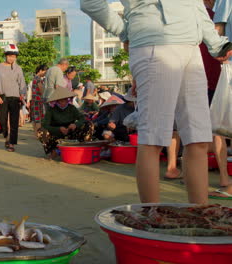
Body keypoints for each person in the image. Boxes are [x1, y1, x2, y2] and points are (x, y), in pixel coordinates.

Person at [81, 0, 232, 204]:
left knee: (198, 138)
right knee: (153, 139)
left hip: (192, 47)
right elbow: (90, 2)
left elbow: (195, 4)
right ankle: (151, 216)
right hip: (152, 43)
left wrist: (216, 43)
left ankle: (199, 215)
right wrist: (128, 32)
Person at [209, 0, 232, 199]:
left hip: (230, 67)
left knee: (219, 128)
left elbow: (219, 27)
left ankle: (226, 180)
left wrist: (218, 52)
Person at [39, 88, 95, 159]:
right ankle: (53, 151)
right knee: (41, 131)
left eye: (65, 100)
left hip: (71, 132)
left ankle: (84, 148)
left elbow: (82, 118)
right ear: (57, 101)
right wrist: (58, 129)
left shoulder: (71, 108)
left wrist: (75, 124)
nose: (64, 102)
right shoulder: (51, 110)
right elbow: (45, 125)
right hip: (56, 134)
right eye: (61, 100)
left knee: (89, 124)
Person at [0, 44, 27, 152]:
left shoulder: (18, 68)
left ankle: (12, 143)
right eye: (10, 55)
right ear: (5, 55)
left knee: (14, 121)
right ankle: (6, 136)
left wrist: (22, 94)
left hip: (15, 97)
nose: (12, 58)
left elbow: (22, 83)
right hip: (2, 96)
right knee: (1, 120)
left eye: (14, 56)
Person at [29, 65, 48, 136]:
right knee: (38, 118)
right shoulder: (38, 78)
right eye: (44, 72)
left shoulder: (34, 78)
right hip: (38, 100)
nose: (45, 74)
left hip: (34, 100)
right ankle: (39, 135)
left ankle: (35, 134)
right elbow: (41, 89)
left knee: (34, 118)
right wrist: (45, 94)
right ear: (40, 70)